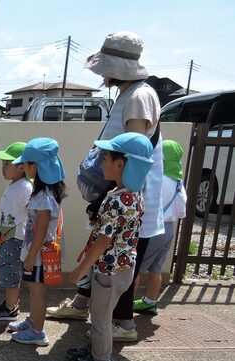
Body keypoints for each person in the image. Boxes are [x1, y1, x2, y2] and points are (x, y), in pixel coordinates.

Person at [47, 31, 164, 343]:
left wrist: (114, 198)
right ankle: (81, 304)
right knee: (101, 253)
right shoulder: (130, 93)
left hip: (125, 200)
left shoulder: (138, 97)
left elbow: (134, 152)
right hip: (115, 197)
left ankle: (121, 326)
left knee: (116, 261)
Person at [67, 133, 154, 361]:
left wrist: (80, 270)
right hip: (124, 267)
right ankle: (97, 351)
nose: (102, 163)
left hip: (109, 270)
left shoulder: (117, 200)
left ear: (121, 164)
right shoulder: (133, 195)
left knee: (101, 318)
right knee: (102, 315)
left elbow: (103, 241)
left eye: (106, 158)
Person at [7, 138, 66, 346]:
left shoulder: (42, 196)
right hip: (38, 250)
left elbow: (40, 229)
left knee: (37, 290)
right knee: (34, 288)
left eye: (26, 164)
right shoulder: (48, 192)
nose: (23, 167)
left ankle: (38, 332)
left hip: (39, 253)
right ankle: (33, 321)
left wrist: (31, 255)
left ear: (36, 167)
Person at [133, 140, 187, 315]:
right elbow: (181, 211)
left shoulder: (157, 179)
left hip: (153, 229)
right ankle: (150, 302)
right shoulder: (178, 182)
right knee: (156, 268)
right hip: (169, 228)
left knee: (135, 269)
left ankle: (124, 308)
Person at [0, 141, 32, 321]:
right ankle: (9, 303)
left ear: (21, 167)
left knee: (11, 272)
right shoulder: (14, 184)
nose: (3, 168)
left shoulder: (25, 187)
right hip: (7, 235)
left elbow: (31, 213)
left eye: (7, 164)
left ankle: (10, 308)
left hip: (16, 237)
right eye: (3, 164)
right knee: (6, 271)